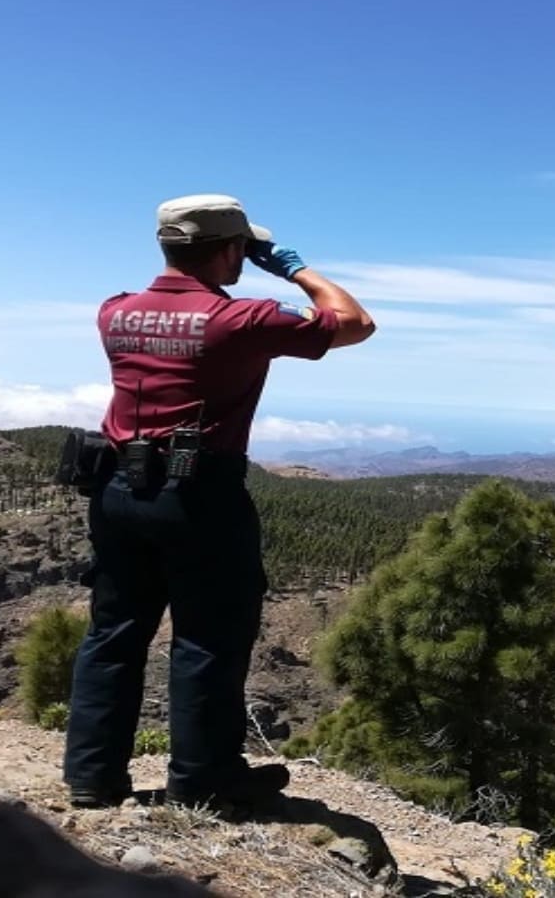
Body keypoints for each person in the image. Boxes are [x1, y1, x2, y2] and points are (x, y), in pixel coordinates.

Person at [62, 193, 375, 813]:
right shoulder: (242, 319)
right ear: (232, 249)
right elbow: (355, 322)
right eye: (243, 248)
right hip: (198, 496)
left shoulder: (114, 311)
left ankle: (91, 777)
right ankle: (203, 782)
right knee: (208, 637)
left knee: (114, 632)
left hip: (116, 491)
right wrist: (289, 266)